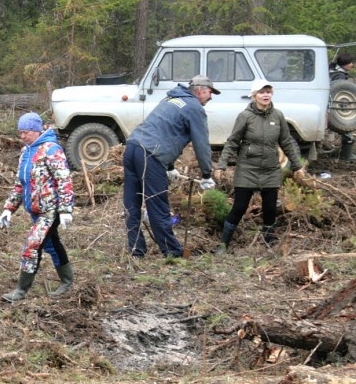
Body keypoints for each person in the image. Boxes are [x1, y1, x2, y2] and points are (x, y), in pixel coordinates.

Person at [122, 74, 218, 258]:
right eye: (209, 92)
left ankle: (136, 250)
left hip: (133, 147)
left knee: (131, 205)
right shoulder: (194, 107)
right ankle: (172, 252)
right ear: (199, 91)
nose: (211, 96)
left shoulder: (171, 99)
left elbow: (165, 130)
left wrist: (169, 166)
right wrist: (207, 174)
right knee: (157, 205)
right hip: (150, 155)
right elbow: (201, 144)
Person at [214, 82, 306, 253]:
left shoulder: (278, 116)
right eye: (262, 92)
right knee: (239, 208)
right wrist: (221, 165)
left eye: (269, 92)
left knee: (270, 209)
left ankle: (269, 244)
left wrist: (297, 166)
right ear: (254, 95)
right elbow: (232, 141)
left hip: (270, 169)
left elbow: (286, 142)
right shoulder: (245, 116)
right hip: (247, 169)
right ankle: (223, 245)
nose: (266, 95)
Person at [0, 112, 75, 302]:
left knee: (32, 246)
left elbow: (64, 180)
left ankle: (21, 291)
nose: (22, 136)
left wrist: (65, 209)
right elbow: (20, 184)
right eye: (20, 133)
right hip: (35, 209)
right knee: (51, 244)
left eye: (25, 132)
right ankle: (67, 280)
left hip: (50, 210)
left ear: (36, 131)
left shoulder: (51, 150)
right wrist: (8, 209)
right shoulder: (26, 152)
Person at [330, 53, 355, 161]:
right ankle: (346, 155)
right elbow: (340, 94)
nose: (352, 65)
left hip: (329, 105)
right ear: (345, 64)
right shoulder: (339, 76)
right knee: (347, 127)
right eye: (350, 63)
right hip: (333, 105)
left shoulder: (332, 71)